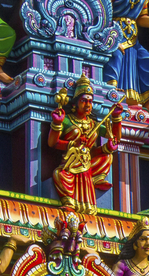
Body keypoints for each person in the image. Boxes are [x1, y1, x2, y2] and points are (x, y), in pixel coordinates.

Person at [49, 76, 122, 214]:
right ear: (75, 103)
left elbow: (116, 137)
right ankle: (69, 202)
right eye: (84, 101)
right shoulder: (67, 120)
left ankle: (98, 178)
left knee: (107, 156)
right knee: (59, 174)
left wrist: (116, 118)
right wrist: (59, 125)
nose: (88, 104)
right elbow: (53, 143)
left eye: (90, 101)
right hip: (71, 162)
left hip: (88, 163)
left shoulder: (93, 124)